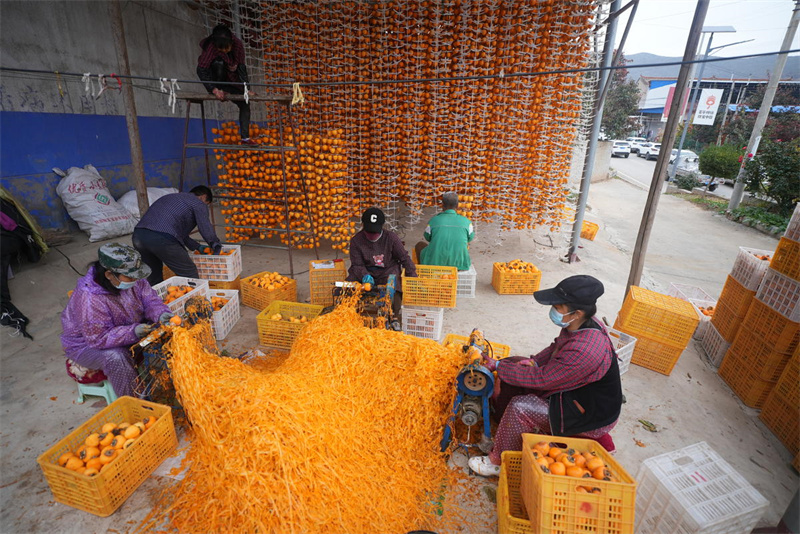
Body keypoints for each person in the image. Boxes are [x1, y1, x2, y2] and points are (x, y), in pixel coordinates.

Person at [467, 275, 622, 477]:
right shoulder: (581, 324)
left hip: (587, 413)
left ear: (577, 312)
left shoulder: (586, 349)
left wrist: (497, 365)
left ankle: (497, 462)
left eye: (558, 307)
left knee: (521, 407)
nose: (554, 310)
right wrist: (535, 361)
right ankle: (505, 428)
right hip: (572, 390)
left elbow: (542, 379)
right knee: (513, 363)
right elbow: (556, 347)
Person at [61, 243, 174, 398]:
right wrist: (133, 331)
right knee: (116, 357)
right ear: (109, 275)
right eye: (130, 276)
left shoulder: (134, 278)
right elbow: (98, 338)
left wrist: (160, 314)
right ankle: (137, 403)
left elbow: (150, 301)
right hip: (87, 345)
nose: (135, 279)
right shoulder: (89, 298)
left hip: (129, 330)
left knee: (170, 331)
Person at [132, 186, 222, 286]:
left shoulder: (172, 197)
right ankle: (193, 299)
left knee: (154, 276)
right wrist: (215, 244)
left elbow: (178, 233)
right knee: (188, 272)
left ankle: (156, 300)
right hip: (161, 239)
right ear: (203, 197)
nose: (205, 208)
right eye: (207, 204)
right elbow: (205, 226)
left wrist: (197, 246)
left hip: (139, 236)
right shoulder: (198, 203)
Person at [346, 207, 417, 327]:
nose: (372, 235)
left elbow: (404, 257)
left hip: (387, 270)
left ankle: (393, 315)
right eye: (369, 232)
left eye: (375, 232)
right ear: (363, 226)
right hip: (366, 271)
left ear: (382, 227)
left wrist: (412, 277)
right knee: (349, 285)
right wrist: (365, 275)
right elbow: (357, 264)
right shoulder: (356, 241)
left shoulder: (391, 238)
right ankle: (350, 313)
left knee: (393, 285)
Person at [197, 24, 255, 144]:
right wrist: (214, 89)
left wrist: (246, 89)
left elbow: (241, 68)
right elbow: (201, 69)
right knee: (218, 62)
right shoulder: (211, 47)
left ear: (231, 42)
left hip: (232, 80)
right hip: (216, 80)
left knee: (245, 103)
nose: (224, 51)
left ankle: (245, 138)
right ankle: (220, 88)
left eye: (226, 48)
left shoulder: (238, 45)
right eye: (221, 49)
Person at [415, 192, 474, 271]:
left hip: (435, 263)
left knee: (419, 245)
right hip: (459, 265)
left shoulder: (433, 221)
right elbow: (470, 238)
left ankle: (425, 270)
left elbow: (427, 237)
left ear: (442, 206)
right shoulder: (467, 222)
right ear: (457, 206)